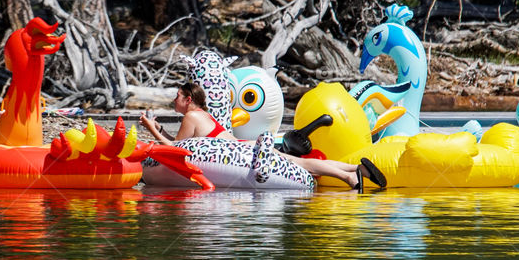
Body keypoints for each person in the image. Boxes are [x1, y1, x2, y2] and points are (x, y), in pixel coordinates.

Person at [140, 81, 386, 191]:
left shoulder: (191, 117)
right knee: (298, 162)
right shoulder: (202, 116)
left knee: (300, 163)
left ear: (188, 100)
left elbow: (176, 150)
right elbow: (181, 143)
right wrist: (160, 130)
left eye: (177, 96)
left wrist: (151, 130)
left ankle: (351, 177)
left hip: (244, 155)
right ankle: (355, 170)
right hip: (246, 147)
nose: (174, 100)